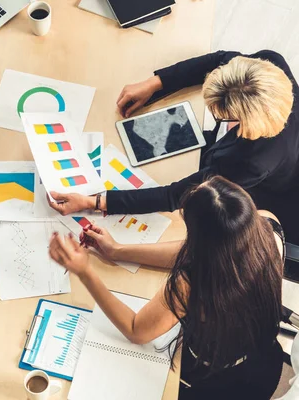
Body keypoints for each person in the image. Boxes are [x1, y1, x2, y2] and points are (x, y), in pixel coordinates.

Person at [49, 176, 285, 400]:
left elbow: (136, 330)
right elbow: (199, 250)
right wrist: (118, 251)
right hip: (266, 362)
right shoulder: (267, 226)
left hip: (215, 382)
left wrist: (85, 272)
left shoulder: (191, 283)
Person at [47, 50, 299, 243]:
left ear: (246, 122)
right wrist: (156, 83)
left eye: (223, 117)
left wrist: (93, 201)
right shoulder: (267, 67)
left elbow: (175, 195)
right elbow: (219, 60)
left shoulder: (251, 161)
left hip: (274, 196)